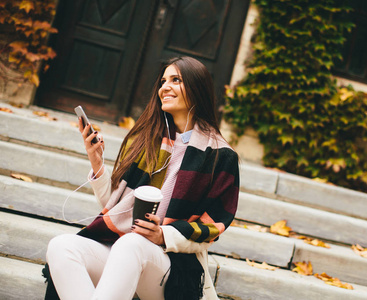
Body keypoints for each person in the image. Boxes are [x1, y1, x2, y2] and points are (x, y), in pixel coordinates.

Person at [44, 56, 240, 300]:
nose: (164, 87)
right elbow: (116, 208)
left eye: (176, 80)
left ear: (197, 88)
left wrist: (163, 235)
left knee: (131, 244)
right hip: (123, 253)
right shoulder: (146, 141)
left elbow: (211, 228)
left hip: (172, 265)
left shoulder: (220, 156)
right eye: (163, 81)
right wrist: (97, 162)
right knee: (62, 246)